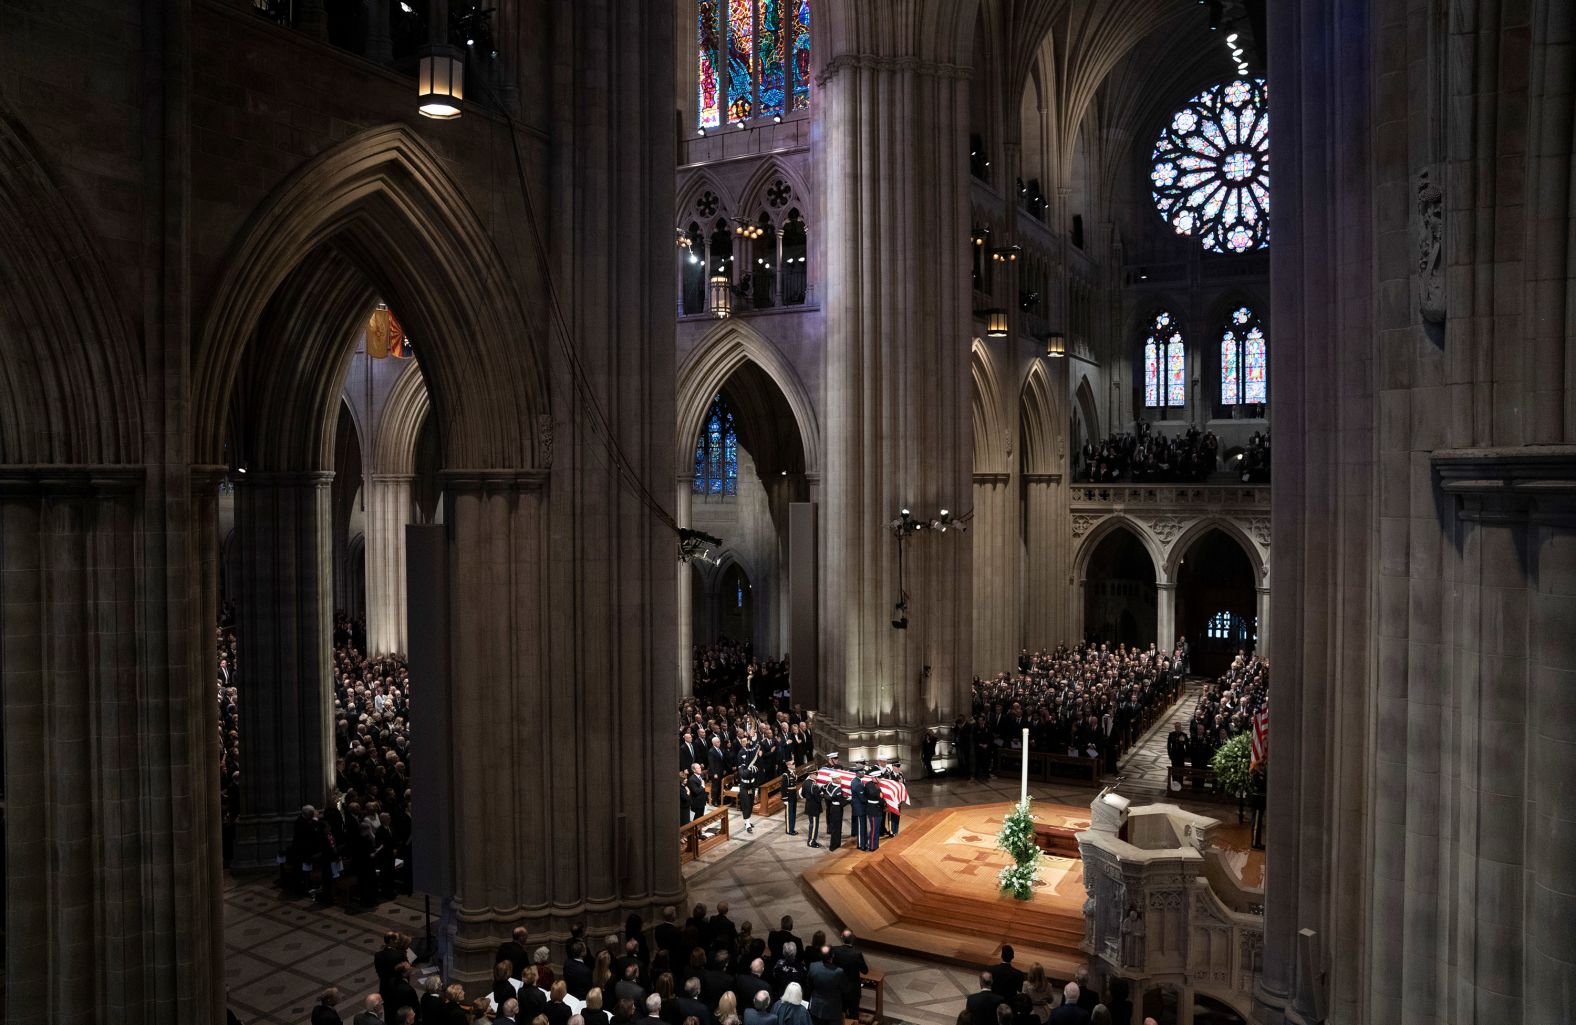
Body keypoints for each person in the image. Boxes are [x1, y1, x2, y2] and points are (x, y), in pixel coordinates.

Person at [829, 931, 866, 1020]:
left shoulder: (834, 950)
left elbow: (831, 965)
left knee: (839, 1014)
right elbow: (865, 971)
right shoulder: (857, 954)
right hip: (853, 990)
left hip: (839, 988)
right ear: (852, 940)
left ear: (842, 938)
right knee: (853, 1014)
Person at [804, 948, 844, 1025]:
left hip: (816, 1007)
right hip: (833, 1010)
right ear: (833, 955)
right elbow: (845, 989)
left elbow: (808, 984)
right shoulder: (839, 972)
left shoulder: (813, 966)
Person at [737, 736, 761, 834]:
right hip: (744, 786)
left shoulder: (752, 764)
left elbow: (755, 776)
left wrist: (756, 789)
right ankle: (747, 824)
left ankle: (748, 821)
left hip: (751, 786)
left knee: (750, 804)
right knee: (746, 804)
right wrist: (749, 769)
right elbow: (743, 774)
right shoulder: (742, 766)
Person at [860, 772, 884, 851]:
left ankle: (875, 845)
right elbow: (877, 796)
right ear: (874, 777)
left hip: (877, 809)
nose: (880, 779)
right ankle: (872, 846)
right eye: (879, 777)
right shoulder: (870, 786)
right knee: (874, 829)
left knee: (876, 829)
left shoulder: (874, 785)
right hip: (873, 810)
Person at [825, 778, 846, 851]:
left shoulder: (829, 786)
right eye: (838, 779)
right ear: (834, 780)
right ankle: (834, 845)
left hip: (832, 807)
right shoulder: (838, 790)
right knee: (836, 827)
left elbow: (825, 792)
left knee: (835, 827)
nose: (840, 779)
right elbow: (842, 803)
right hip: (837, 809)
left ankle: (836, 843)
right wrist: (849, 799)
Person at [801, 779, 822, 848]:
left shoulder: (805, 782)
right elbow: (818, 799)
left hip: (809, 805)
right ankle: (811, 842)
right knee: (814, 826)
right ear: (813, 774)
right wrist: (821, 795)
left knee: (811, 824)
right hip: (814, 808)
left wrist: (809, 798)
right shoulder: (814, 785)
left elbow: (802, 794)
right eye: (816, 773)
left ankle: (811, 840)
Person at [781, 762, 799, 835]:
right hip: (788, 797)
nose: (794, 764)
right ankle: (789, 830)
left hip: (793, 796)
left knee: (793, 813)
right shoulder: (786, 775)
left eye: (794, 763)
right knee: (789, 814)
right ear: (788, 765)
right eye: (793, 763)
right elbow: (783, 788)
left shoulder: (793, 773)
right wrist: (785, 799)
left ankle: (792, 829)